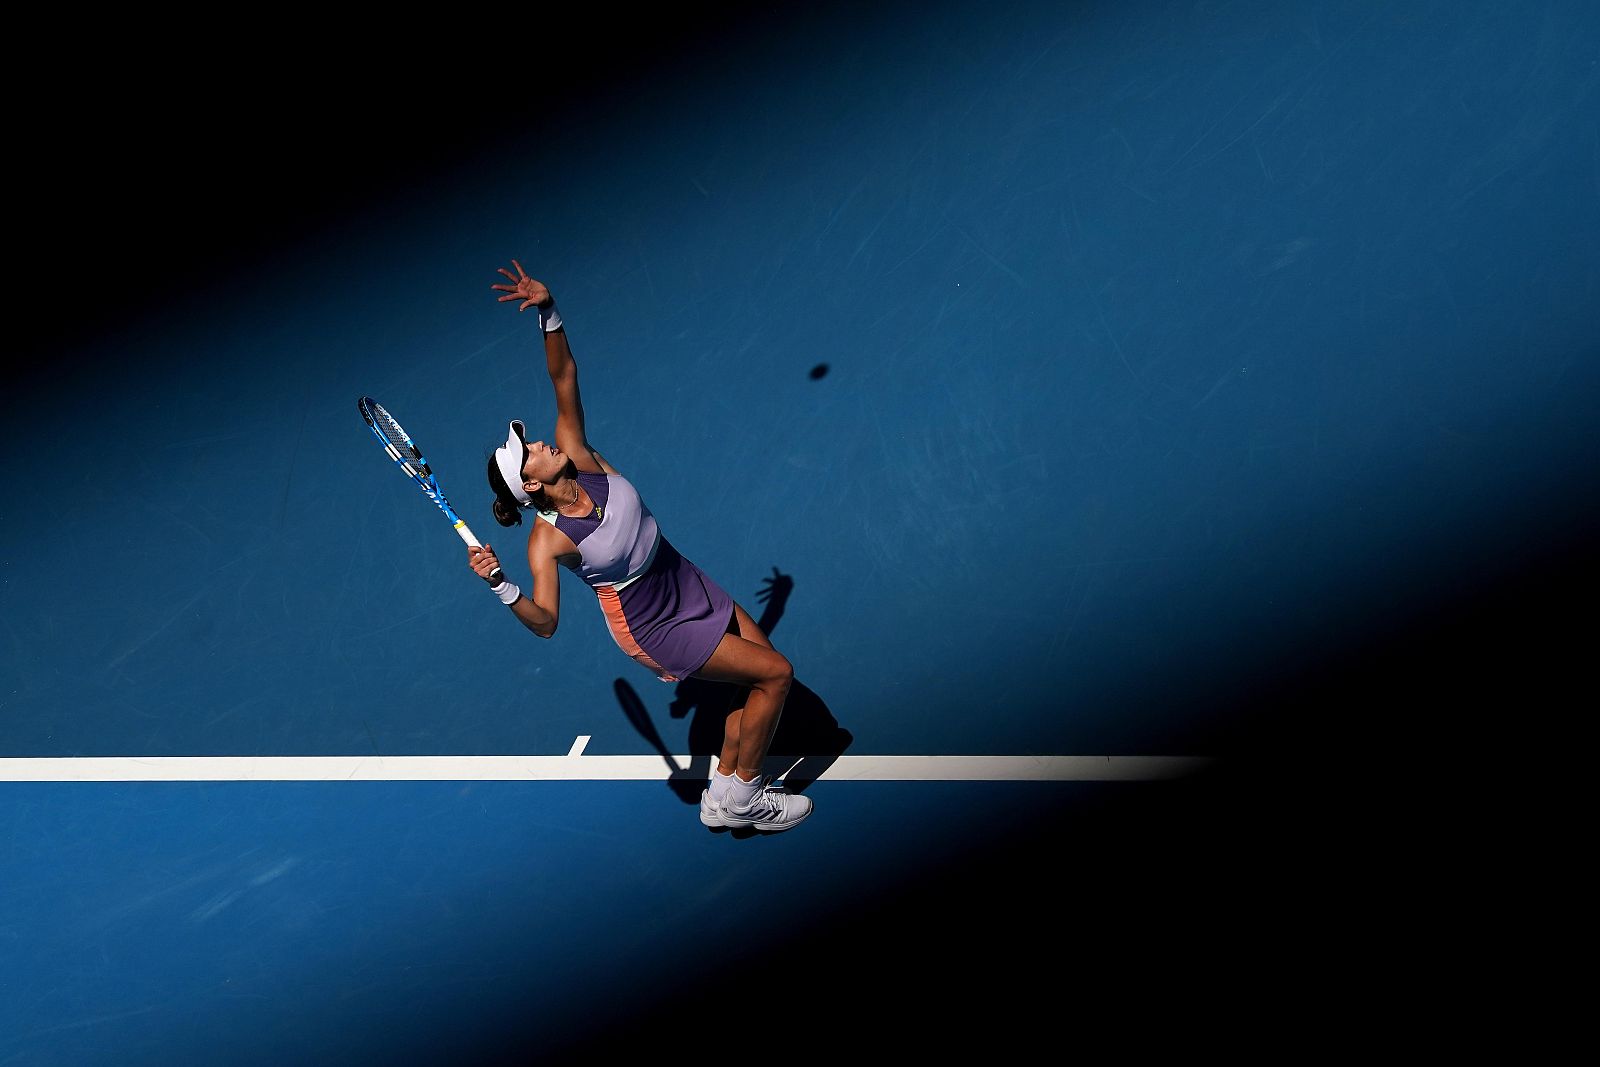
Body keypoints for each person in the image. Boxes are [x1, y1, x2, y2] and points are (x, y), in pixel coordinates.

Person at [468, 259, 811, 833]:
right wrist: (501, 586)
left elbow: (564, 377)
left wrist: (548, 312)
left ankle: (722, 794)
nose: (539, 442)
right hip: (651, 624)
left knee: (759, 680)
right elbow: (547, 622)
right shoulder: (546, 541)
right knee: (775, 675)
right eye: (527, 450)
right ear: (530, 485)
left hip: (683, 577)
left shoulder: (579, 453)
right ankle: (746, 798)